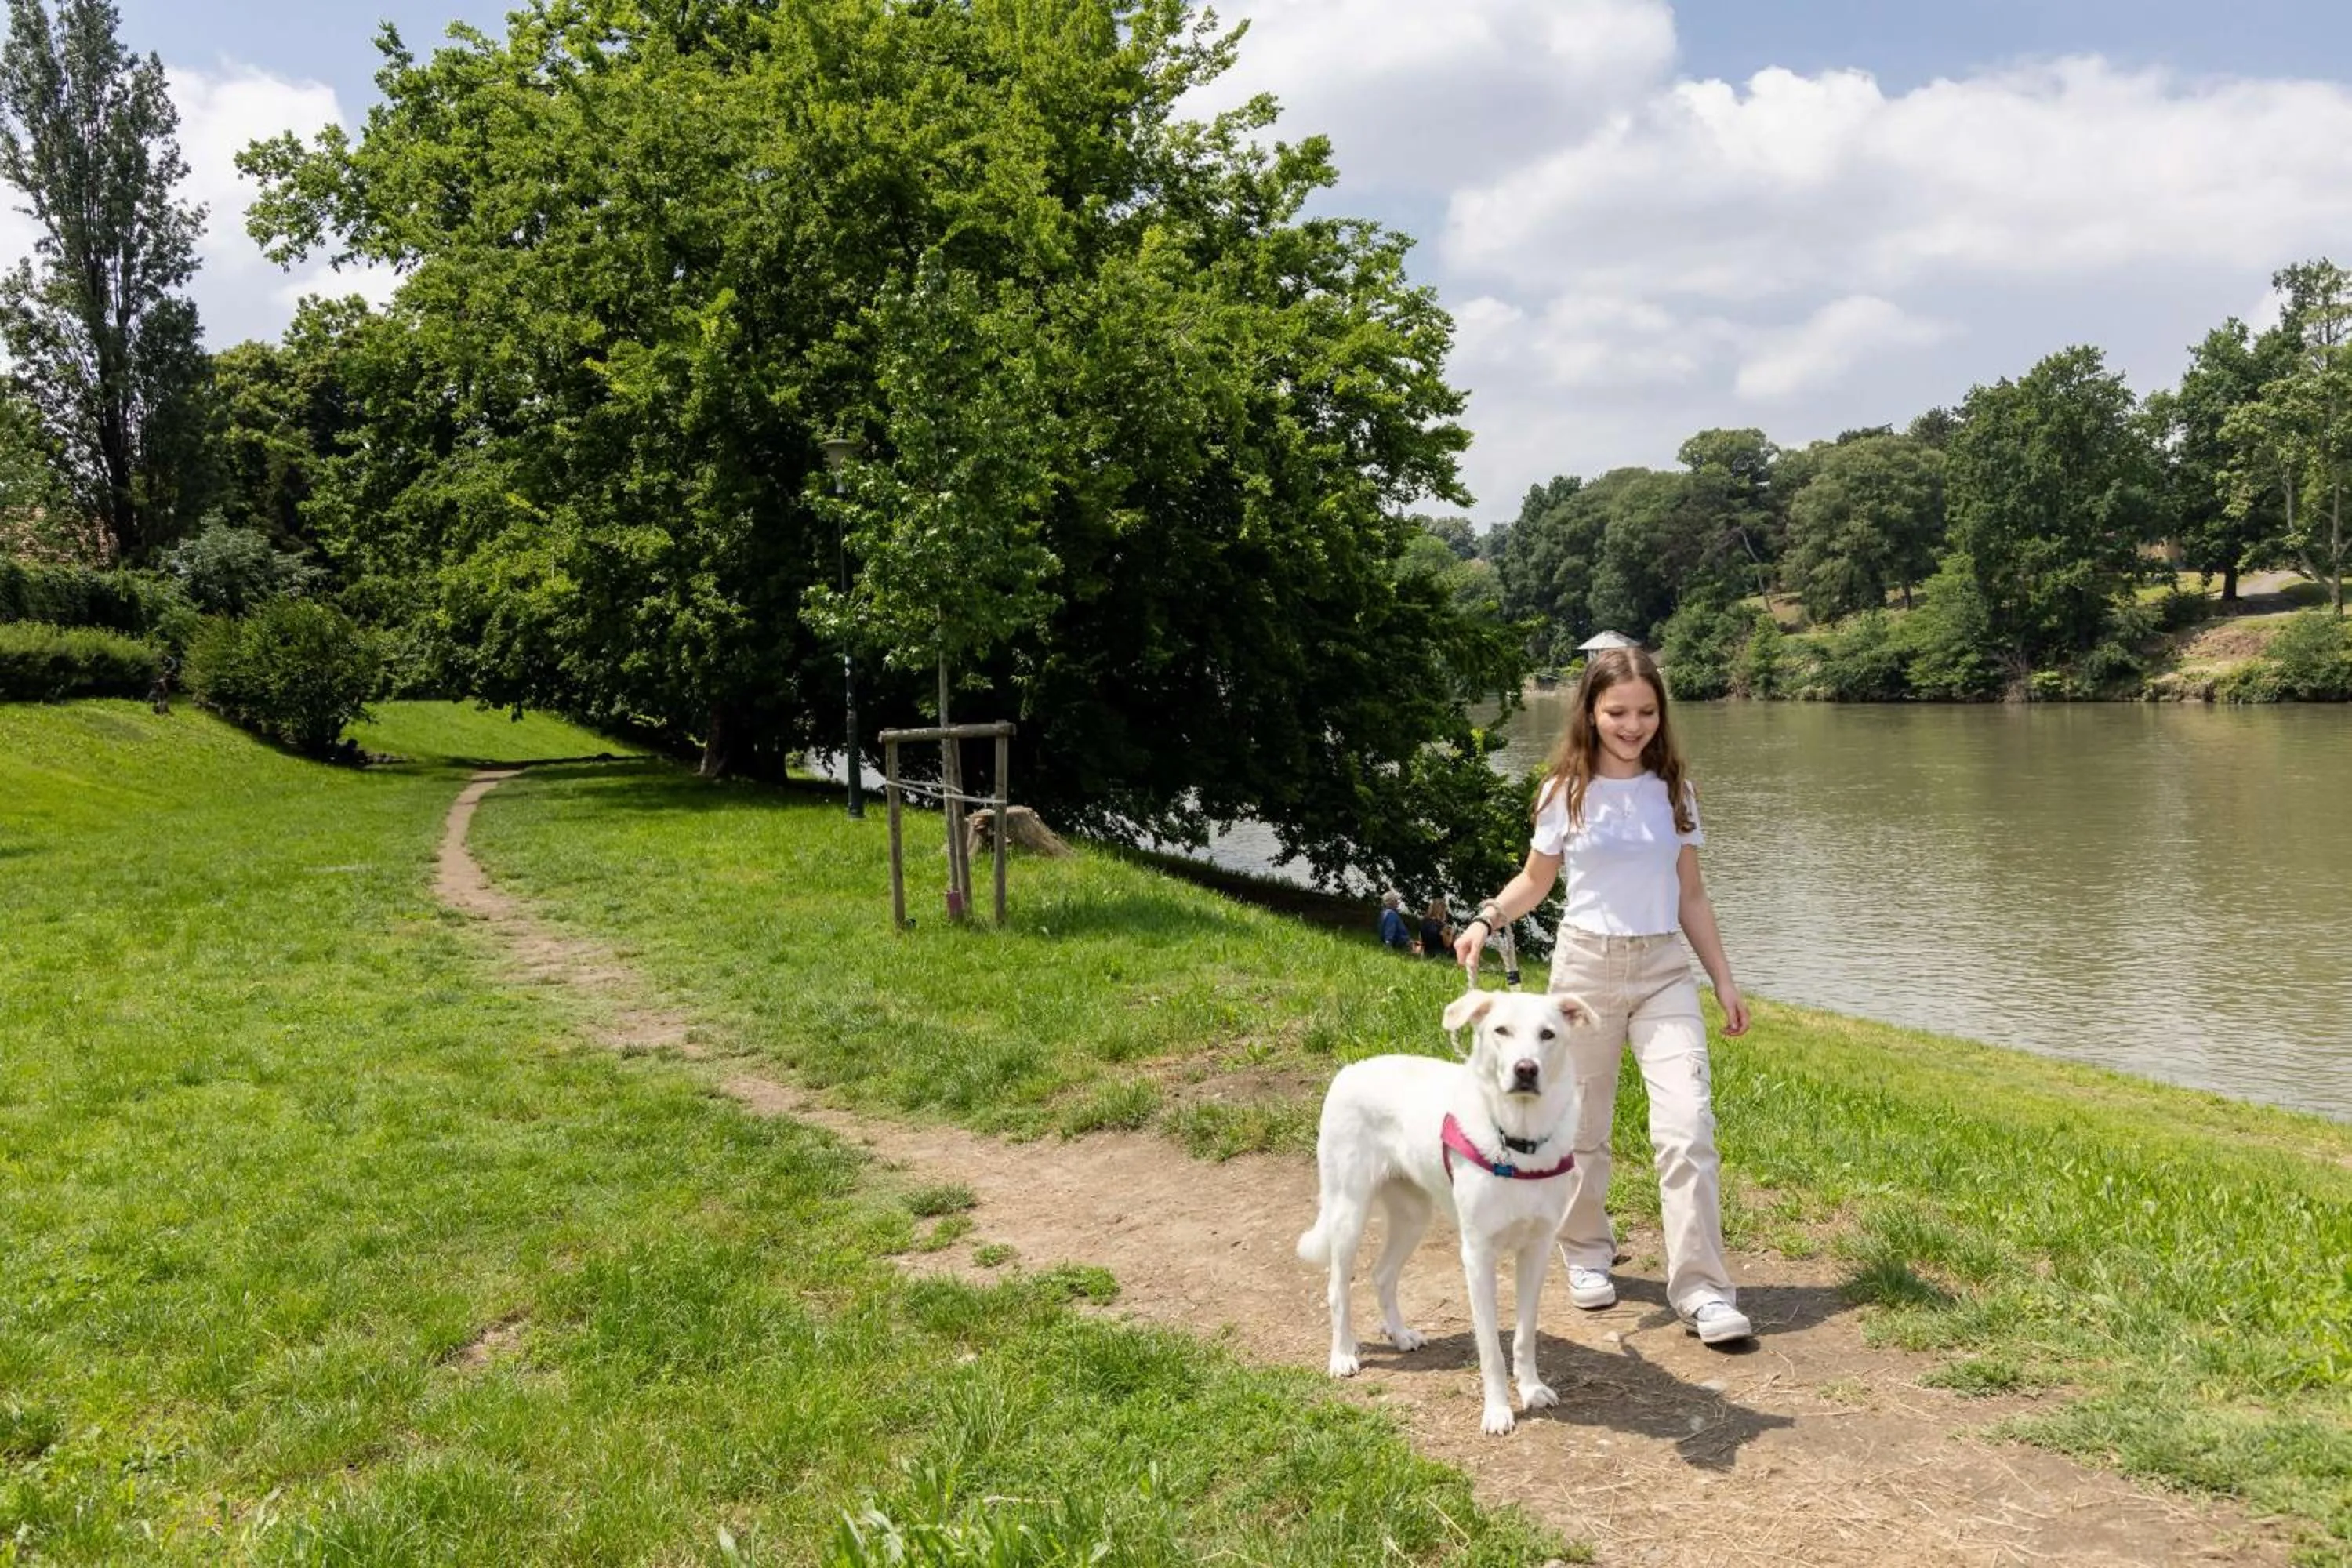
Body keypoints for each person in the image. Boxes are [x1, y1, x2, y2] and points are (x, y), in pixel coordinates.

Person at [1452, 644, 1755, 1345]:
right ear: (1591, 711)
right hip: (1584, 970)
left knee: (1687, 1127)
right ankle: (1586, 1250)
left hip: (1662, 970)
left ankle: (1703, 1290)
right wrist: (1486, 919)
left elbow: (1691, 895)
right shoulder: (1564, 791)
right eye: (1618, 712)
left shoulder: (1675, 792)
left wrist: (1723, 978)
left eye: (1647, 712)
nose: (1633, 725)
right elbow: (1535, 882)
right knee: (1581, 1129)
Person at [1377, 888, 1415, 953]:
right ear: (1391, 902)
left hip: (1400, 941)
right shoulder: (1391, 914)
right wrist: (1388, 943)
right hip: (1401, 943)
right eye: (1396, 901)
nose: (1398, 903)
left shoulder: (1384, 913)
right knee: (1421, 948)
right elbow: (1390, 929)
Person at [1418, 896, 1454, 960]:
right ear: (1443, 911)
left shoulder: (1424, 922)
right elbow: (1447, 944)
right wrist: (1451, 934)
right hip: (1439, 955)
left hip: (1427, 953)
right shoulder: (1442, 926)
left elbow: (1421, 940)